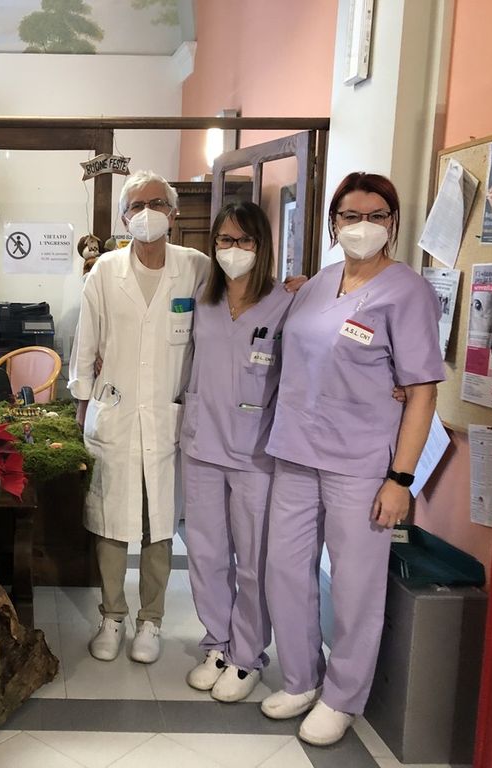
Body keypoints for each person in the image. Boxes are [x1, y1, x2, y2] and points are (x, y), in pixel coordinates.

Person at [262, 172, 443, 746]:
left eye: (376, 216)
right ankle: (300, 678)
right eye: (350, 216)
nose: (362, 226)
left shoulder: (407, 292)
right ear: (333, 222)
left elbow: (422, 392)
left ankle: (342, 696)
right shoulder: (318, 284)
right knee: (284, 569)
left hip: (362, 463)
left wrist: (400, 479)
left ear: (393, 222)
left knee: (355, 585)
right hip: (295, 451)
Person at [69, 169, 210, 664]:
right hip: (116, 411)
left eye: (156, 203)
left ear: (173, 212)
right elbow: (86, 341)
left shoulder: (195, 267)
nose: (147, 213)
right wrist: (82, 402)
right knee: (111, 519)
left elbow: (239, 306)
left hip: (167, 415)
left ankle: (151, 620)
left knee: (158, 523)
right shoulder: (106, 271)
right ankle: (112, 615)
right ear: (124, 218)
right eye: (136, 206)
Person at [179, 201, 294, 702]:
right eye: (225, 240)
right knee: (205, 553)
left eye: (245, 240)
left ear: (262, 245)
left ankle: (247, 656)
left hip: (255, 451)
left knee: (252, 560)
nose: (234, 249)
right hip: (202, 443)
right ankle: (217, 644)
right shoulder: (203, 300)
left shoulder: (286, 303)